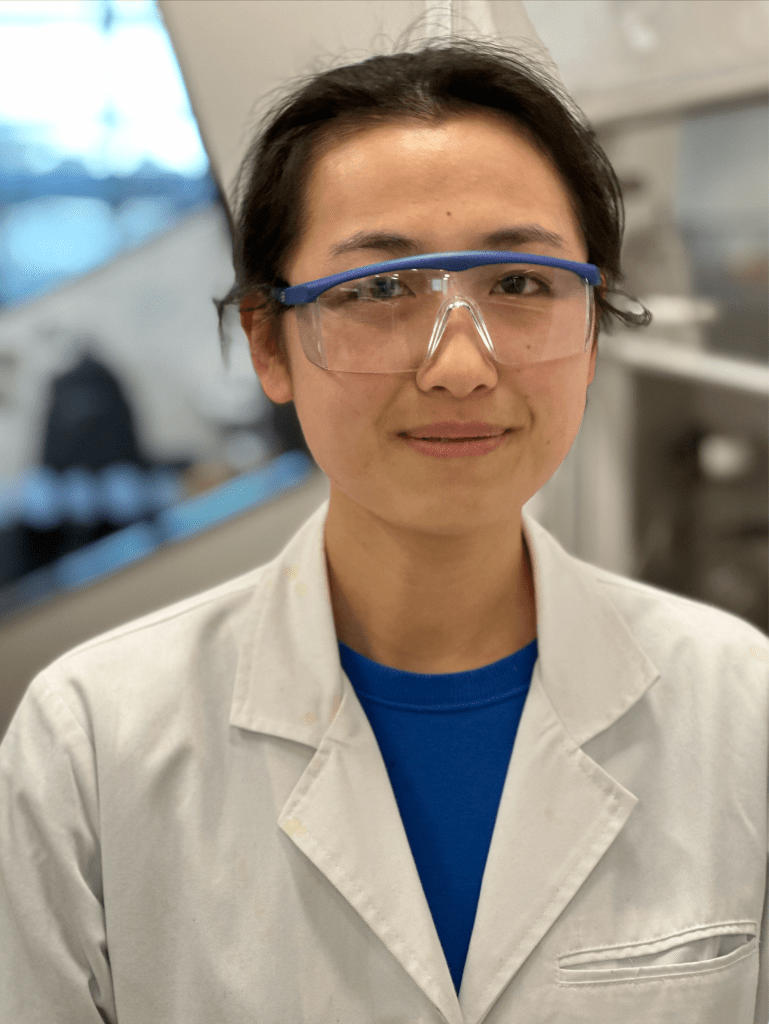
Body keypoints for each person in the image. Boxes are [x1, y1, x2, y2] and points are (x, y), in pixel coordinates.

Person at [1, 24, 767, 1024]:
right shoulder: (92, 740)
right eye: (379, 288)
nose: (460, 365)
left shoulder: (740, 705)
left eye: (520, 283)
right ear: (268, 344)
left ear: (593, 328)